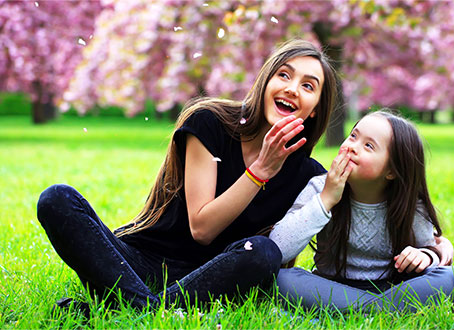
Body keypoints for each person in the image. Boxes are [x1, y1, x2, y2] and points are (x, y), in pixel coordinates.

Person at [37, 39, 339, 312]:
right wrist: (260, 171)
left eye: (308, 86)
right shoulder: (210, 122)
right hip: (140, 262)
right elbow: (202, 227)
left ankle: (132, 309)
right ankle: (150, 311)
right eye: (284, 75)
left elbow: (346, 241)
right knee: (57, 199)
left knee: (262, 252)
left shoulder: (309, 177)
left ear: (314, 110)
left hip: (213, 281)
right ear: (265, 82)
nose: (291, 88)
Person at [269, 109, 454, 312]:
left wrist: (425, 256)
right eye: (353, 136)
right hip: (331, 286)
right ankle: (381, 310)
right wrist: (326, 200)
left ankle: (361, 309)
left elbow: (433, 256)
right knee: (280, 279)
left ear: (392, 171)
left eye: (368, 146)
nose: (352, 147)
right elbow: (278, 248)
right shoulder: (320, 188)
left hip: (392, 287)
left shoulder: (409, 205)